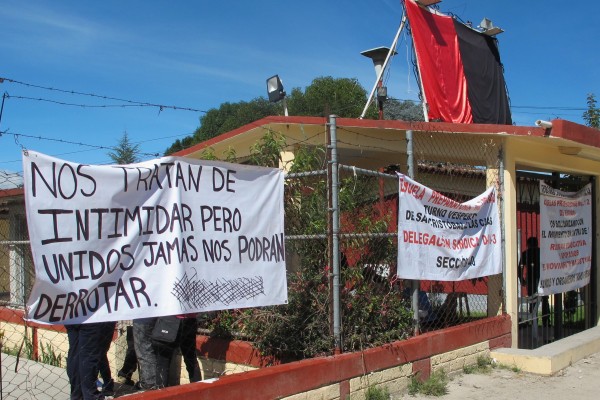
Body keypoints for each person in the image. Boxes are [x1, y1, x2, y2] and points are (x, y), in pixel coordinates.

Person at [66, 321, 116, 400]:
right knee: (91, 355)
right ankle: (91, 395)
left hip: (73, 316)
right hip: (94, 317)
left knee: (75, 353)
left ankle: (77, 395)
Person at [153, 314, 201, 388]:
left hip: (172, 319)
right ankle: (198, 390)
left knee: (163, 361)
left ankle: (161, 393)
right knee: (191, 359)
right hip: (190, 319)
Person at [518, 236, 550, 324]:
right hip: (542, 278)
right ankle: (546, 320)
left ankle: (533, 319)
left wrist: (522, 280)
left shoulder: (526, 253)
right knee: (544, 299)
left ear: (528, 245)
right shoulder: (542, 252)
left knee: (532, 300)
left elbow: (519, 268)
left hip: (531, 279)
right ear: (537, 243)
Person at [132, 317, 158, 390]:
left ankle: (150, 383)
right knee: (149, 349)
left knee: (144, 350)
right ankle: (149, 381)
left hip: (142, 318)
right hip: (152, 316)